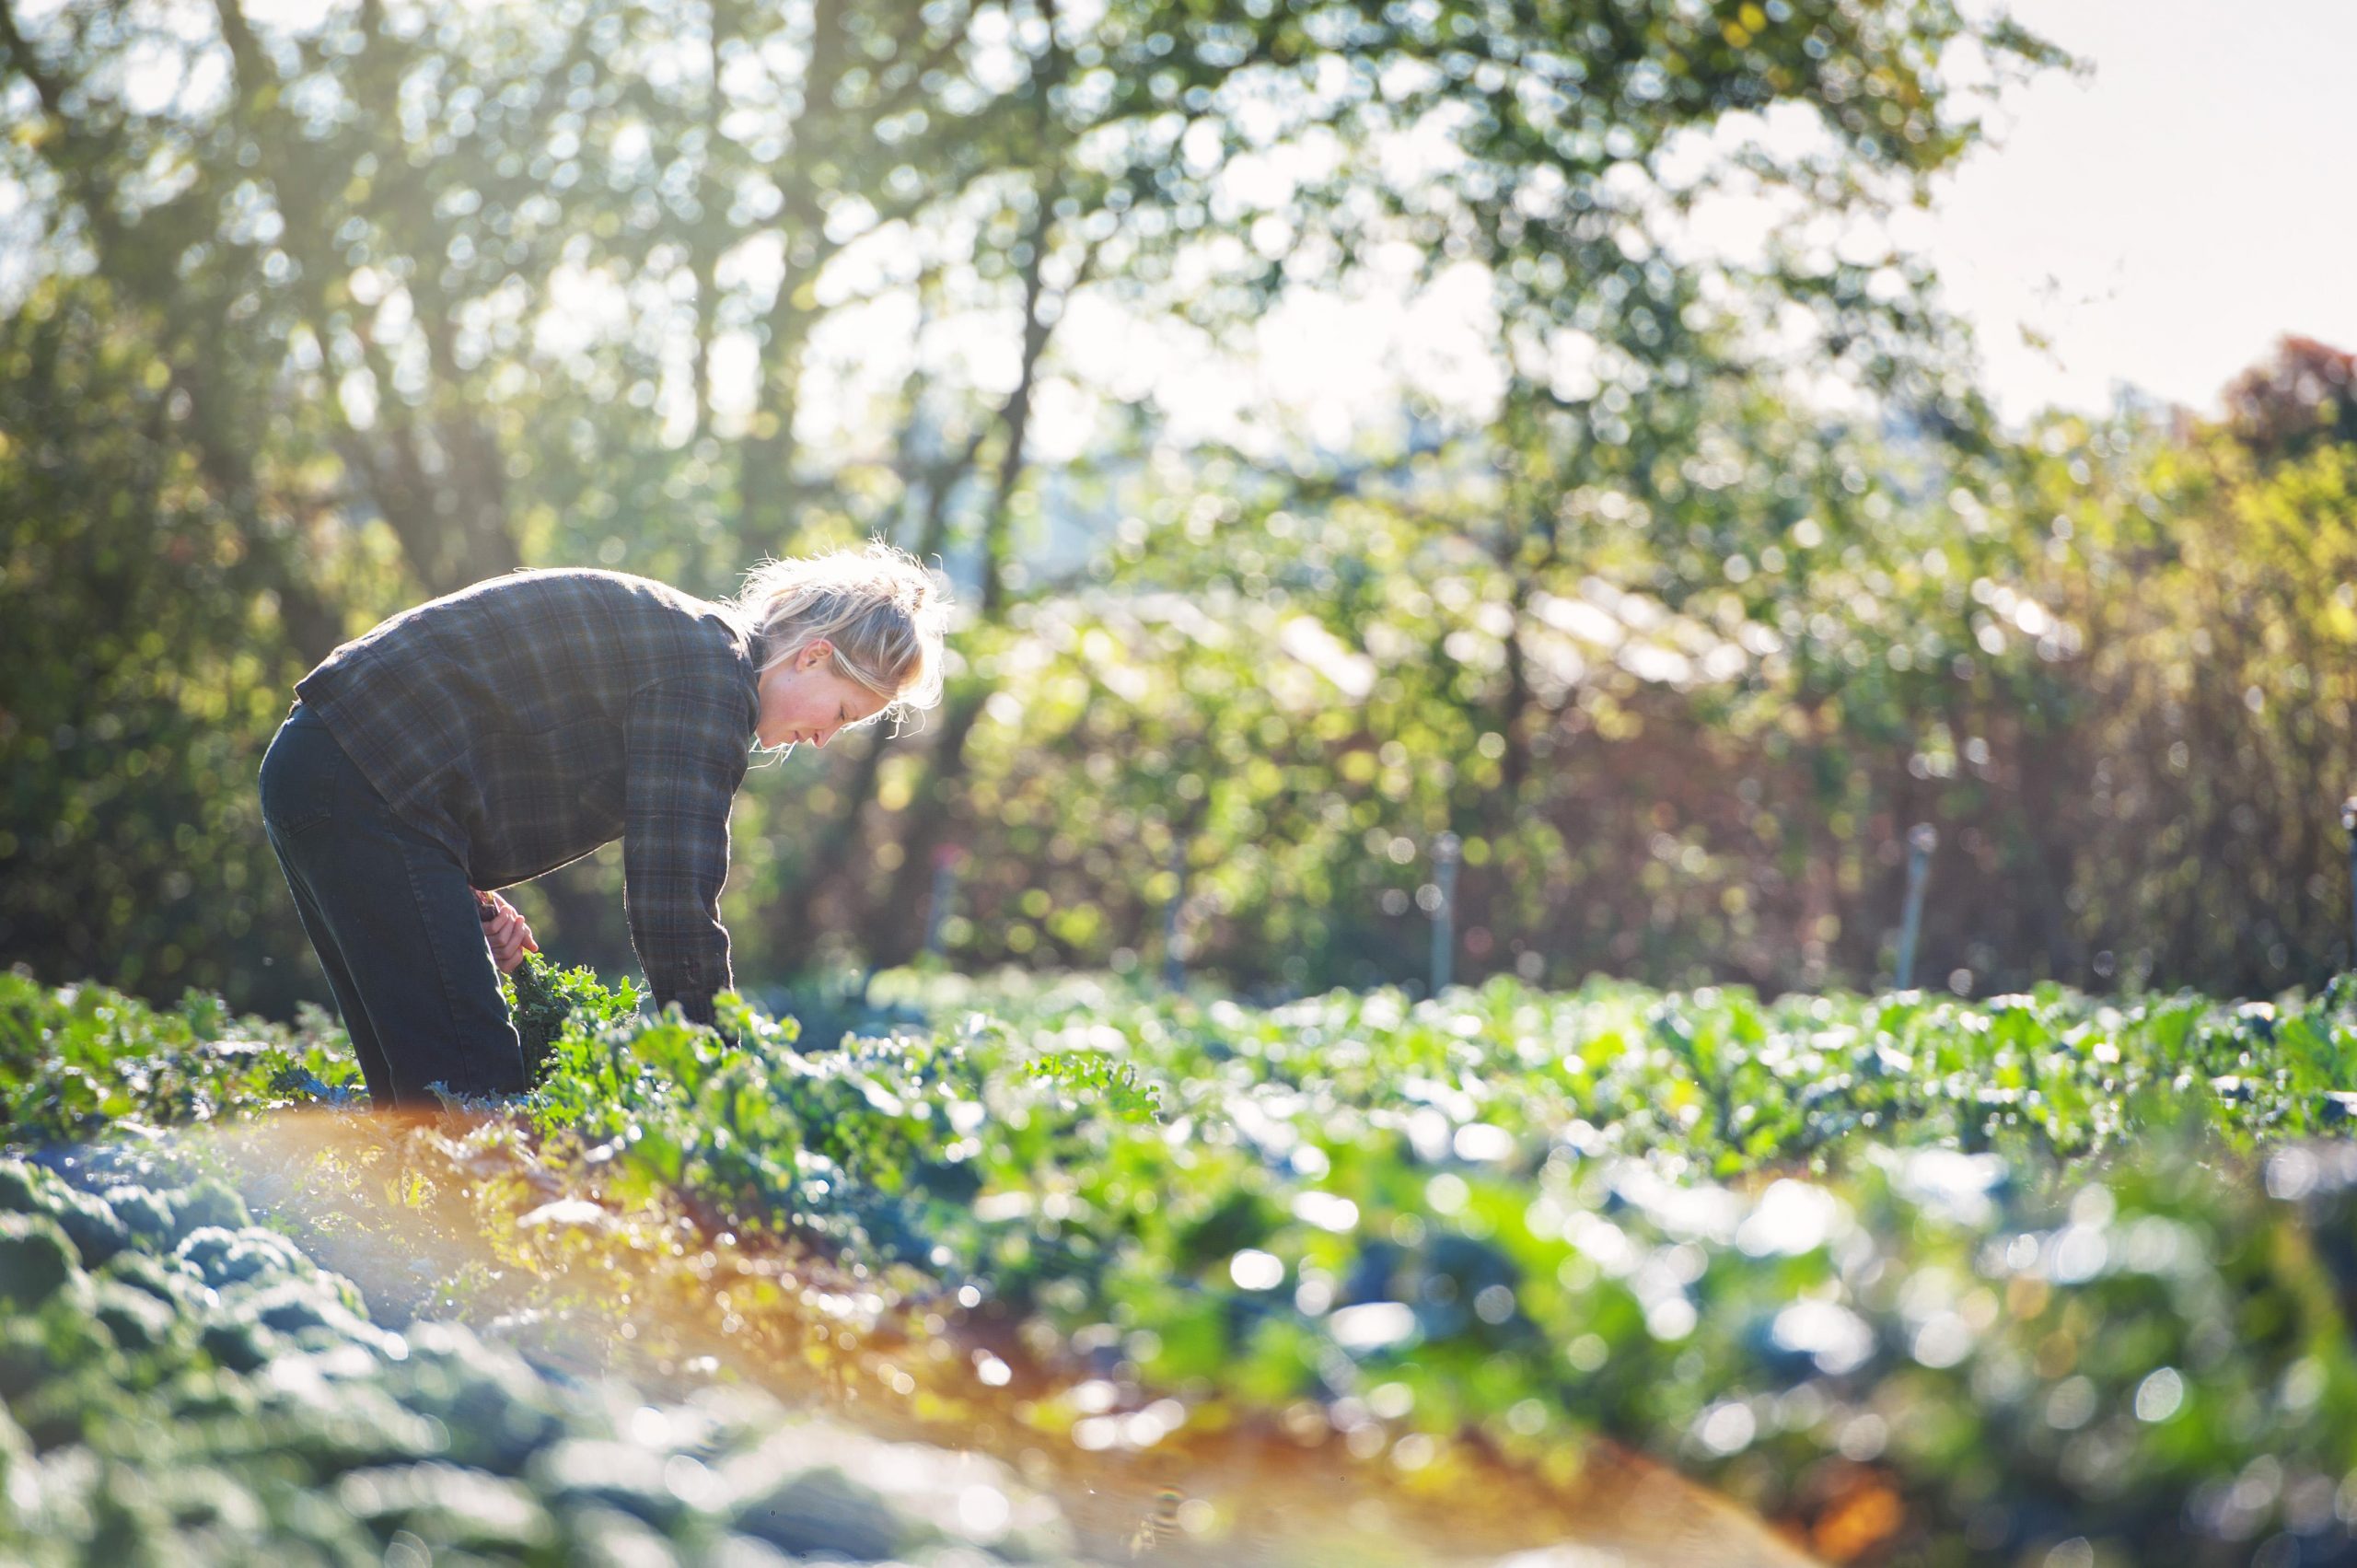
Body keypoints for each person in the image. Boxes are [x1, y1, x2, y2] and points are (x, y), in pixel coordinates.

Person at [255, 543, 949, 1108]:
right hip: (367, 776)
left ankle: (407, 1273)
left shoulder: (693, 650)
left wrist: (462, 889)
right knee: (473, 1095)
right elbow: (671, 902)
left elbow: (494, 725)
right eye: (843, 713)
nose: (826, 738)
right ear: (815, 656)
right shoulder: (711, 680)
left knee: (419, 1095)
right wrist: (721, 1074)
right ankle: (461, 1279)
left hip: (333, 762)